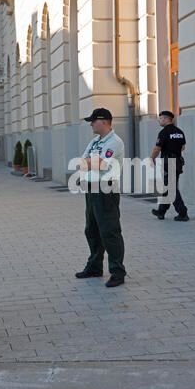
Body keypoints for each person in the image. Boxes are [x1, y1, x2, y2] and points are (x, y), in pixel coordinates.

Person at [75, 108, 126, 288]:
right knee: (92, 230)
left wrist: (90, 162)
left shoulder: (115, 142)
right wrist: (90, 162)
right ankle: (95, 267)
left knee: (109, 231)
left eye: (93, 121)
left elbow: (100, 164)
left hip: (106, 190)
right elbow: (82, 162)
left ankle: (117, 271)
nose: (90, 124)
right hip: (92, 189)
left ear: (103, 121)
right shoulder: (96, 141)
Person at [150, 110, 189, 221]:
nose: (159, 120)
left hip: (168, 163)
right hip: (177, 162)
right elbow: (183, 147)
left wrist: (152, 158)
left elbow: (157, 148)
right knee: (169, 186)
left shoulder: (164, 132)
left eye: (161, 118)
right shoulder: (179, 131)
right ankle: (161, 211)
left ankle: (182, 212)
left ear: (167, 119)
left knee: (171, 188)